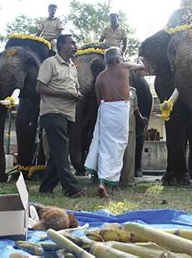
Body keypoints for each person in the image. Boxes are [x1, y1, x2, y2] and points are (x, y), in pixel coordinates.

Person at [85, 47, 145, 198]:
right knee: (118, 147)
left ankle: (103, 183)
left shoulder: (100, 77)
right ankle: (112, 183)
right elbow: (142, 67)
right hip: (121, 110)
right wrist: (138, 61)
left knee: (105, 147)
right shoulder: (124, 67)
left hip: (106, 110)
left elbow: (99, 101)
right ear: (118, 58)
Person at [36, 34, 86, 198]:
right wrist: (64, 94)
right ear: (61, 46)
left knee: (58, 151)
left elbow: (74, 88)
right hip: (52, 112)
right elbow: (40, 88)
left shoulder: (72, 66)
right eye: (71, 43)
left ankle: (46, 186)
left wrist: (76, 95)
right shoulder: (49, 63)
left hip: (68, 114)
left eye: (75, 43)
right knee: (61, 150)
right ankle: (71, 187)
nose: (74, 46)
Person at [120, 87, 146, 187]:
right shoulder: (110, 86)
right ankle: (112, 179)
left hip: (129, 126)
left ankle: (128, 180)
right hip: (113, 127)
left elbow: (136, 110)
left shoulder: (132, 92)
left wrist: (141, 119)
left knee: (129, 155)